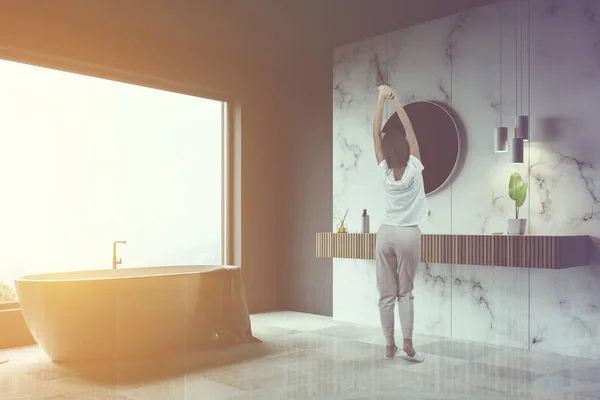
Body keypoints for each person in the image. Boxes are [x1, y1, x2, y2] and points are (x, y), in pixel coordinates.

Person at [372, 85, 428, 362]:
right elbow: (410, 130)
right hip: (409, 235)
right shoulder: (415, 167)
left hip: (385, 235)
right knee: (405, 292)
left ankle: (389, 346)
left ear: (385, 151)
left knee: (386, 294)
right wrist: (396, 101)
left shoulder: (384, 171)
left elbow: (375, 133)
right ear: (405, 148)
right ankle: (407, 342)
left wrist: (380, 100)